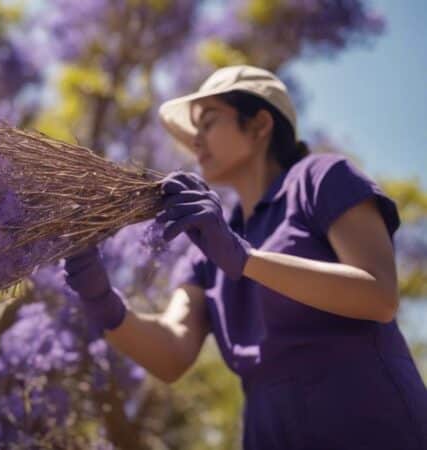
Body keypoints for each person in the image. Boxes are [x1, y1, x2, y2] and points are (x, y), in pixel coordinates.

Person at [63, 65, 427, 449]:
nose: (196, 141)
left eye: (209, 123)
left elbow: (379, 295)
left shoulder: (320, 178)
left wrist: (246, 258)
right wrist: (100, 299)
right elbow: (171, 353)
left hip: (366, 419)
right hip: (269, 430)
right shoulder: (206, 241)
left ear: (259, 125)